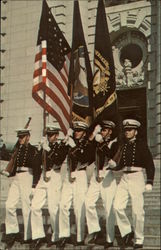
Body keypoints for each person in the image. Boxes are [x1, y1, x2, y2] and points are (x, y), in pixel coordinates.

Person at [113, 119, 155, 249]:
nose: (127, 132)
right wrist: (114, 167)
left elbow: (150, 165)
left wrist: (149, 181)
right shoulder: (124, 146)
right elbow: (121, 164)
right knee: (117, 206)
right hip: (125, 178)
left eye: (130, 130)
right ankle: (127, 232)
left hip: (137, 177)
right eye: (125, 130)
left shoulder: (142, 145)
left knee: (137, 211)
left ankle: (139, 239)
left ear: (135, 132)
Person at [30, 124, 69, 249]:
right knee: (35, 207)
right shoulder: (44, 146)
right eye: (48, 135)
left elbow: (58, 160)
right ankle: (37, 235)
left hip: (54, 175)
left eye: (51, 135)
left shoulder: (61, 146)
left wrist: (48, 149)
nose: (49, 137)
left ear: (57, 135)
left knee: (53, 209)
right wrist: (40, 149)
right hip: (43, 176)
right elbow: (34, 163)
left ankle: (56, 236)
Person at [2, 128, 39, 249]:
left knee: (26, 206)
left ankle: (28, 236)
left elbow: (37, 168)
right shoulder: (18, 150)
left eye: (22, 137)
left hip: (28, 177)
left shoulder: (33, 150)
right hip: (17, 177)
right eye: (19, 137)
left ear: (28, 137)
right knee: (9, 205)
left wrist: (34, 185)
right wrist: (9, 173)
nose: (20, 139)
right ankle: (13, 232)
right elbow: (15, 166)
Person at [58, 121, 93, 247]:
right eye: (75, 131)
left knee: (79, 208)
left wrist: (73, 147)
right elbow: (58, 158)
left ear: (84, 133)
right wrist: (64, 142)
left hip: (80, 175)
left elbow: (85, 159)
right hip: (69, 175)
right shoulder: (70, 142)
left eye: (79, 131)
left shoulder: (88, 144)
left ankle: (80, 237)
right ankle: (64, 235)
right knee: (63, 205)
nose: (76, 133)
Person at [85, 120, 117, 249]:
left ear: (109, 131)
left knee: (108, 208)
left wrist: (102, 143)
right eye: (101, 130)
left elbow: (112, 156)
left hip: (108, 175)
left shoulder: (114, 143)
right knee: (88, 203)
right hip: (96, 175)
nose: (102, 132)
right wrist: (93, 135)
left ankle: (110, 238)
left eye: (104, 130)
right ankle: (94, 229)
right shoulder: (97, 141)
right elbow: (87, 152)